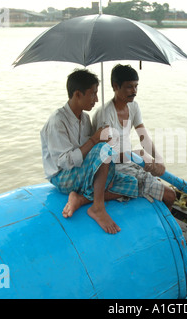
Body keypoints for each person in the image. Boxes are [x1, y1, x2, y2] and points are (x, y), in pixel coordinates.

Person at [40, 69, 138, 234]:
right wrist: (95, 140)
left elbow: (94, 154)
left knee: (132, 184)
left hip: (82, 171)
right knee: (103, 150)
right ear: (78, 94)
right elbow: (65, 162)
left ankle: (80, 199)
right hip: (63, 176)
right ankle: (97, 207)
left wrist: (103, 137)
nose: (97, 99)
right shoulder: (57, 121)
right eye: (93, 94)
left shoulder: (85, 119)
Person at [92, 64, 176, 210]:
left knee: (163, 183)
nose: (134, 91)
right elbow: (107, 157)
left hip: (131, 162)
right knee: (170, 196)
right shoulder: (105, 114)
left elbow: (143, 137)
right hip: (112, 169)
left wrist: (158, 159)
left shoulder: (133, 107)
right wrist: (136, 155)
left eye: (136, 86)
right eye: (129, 87)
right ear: (115, 86)